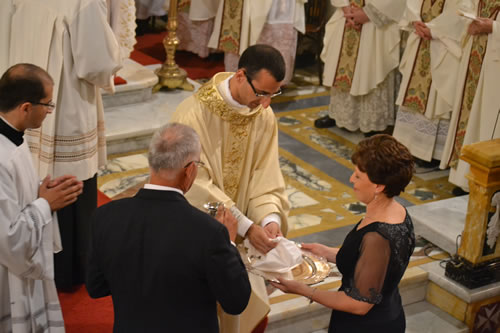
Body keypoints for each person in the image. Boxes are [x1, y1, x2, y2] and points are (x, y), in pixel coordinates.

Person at [86, 123, 251, 333]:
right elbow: (236, 301)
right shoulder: (209, 232)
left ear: (152, 163)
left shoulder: (104, 217)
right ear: (190, 170)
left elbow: (96, 287)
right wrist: (228, 242)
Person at [170, 44, 290, 333]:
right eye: (261, 93)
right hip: (197, 233)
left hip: (245, 235)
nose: (265, 104)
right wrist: (246, 227)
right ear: (239, 75)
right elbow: (195, 187)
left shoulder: (263, 116)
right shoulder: (192, 116)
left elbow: (266, 175)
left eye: (273, 95)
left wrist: (269, 219)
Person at [7, 0, 122, 290]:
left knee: (27, 174)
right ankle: (70, 270)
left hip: (20, 102)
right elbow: (98, 63)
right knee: (70, 182)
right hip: (65, 105)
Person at [272, 134, 416, 332]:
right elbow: (374, 263)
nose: (351, 179)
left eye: (357, 176)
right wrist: (326, 252)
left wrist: (305, 291)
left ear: (378, 186)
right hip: (389, 313)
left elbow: (358, 304)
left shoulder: (377, 238)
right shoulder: (397, 212)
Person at [0, 63, 83, 332]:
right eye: (47, 104)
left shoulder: (15, 138)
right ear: (26, 107)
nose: (49, 111)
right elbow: (9, 240)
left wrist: (42, 191)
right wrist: (46, 204)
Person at [393, 0, 469, 164]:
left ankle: (434, 153)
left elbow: (465, 8)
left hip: (444, 44)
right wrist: (415, 20)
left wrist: (434, 30)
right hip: (421, 38)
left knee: (438, 96)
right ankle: (408, 144)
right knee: (415, 91)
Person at [315, 0, 406, 132]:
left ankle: (373, 122)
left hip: (375, 20)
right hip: (348, 16)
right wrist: (346, 9)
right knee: (342, 64)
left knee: (372, 68)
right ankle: (341, 115)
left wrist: (369, 13)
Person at [440, 0, 500, 192]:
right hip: (476, 54)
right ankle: (465, 177)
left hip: (495, 62)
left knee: (489, 120)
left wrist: (493, 27)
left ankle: (486, 183)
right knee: (471, 115)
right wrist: (469, 20)